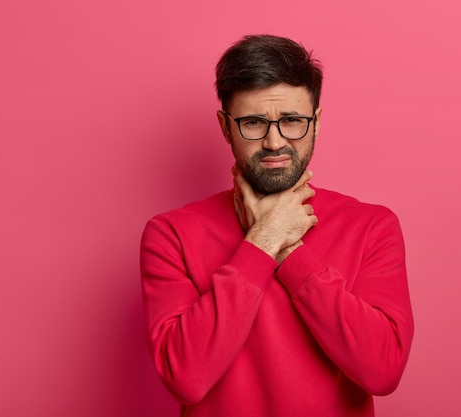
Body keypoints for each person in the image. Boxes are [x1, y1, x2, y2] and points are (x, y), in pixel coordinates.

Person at [140, 34, 414, 417]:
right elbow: (185, 377)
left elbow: (382, 372)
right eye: (253, 122)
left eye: (291, 121)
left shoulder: (371, 226)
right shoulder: (171, 234)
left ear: (316, 122)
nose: (274, 141)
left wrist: (288, 248)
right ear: (225, 127)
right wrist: (262, 242)